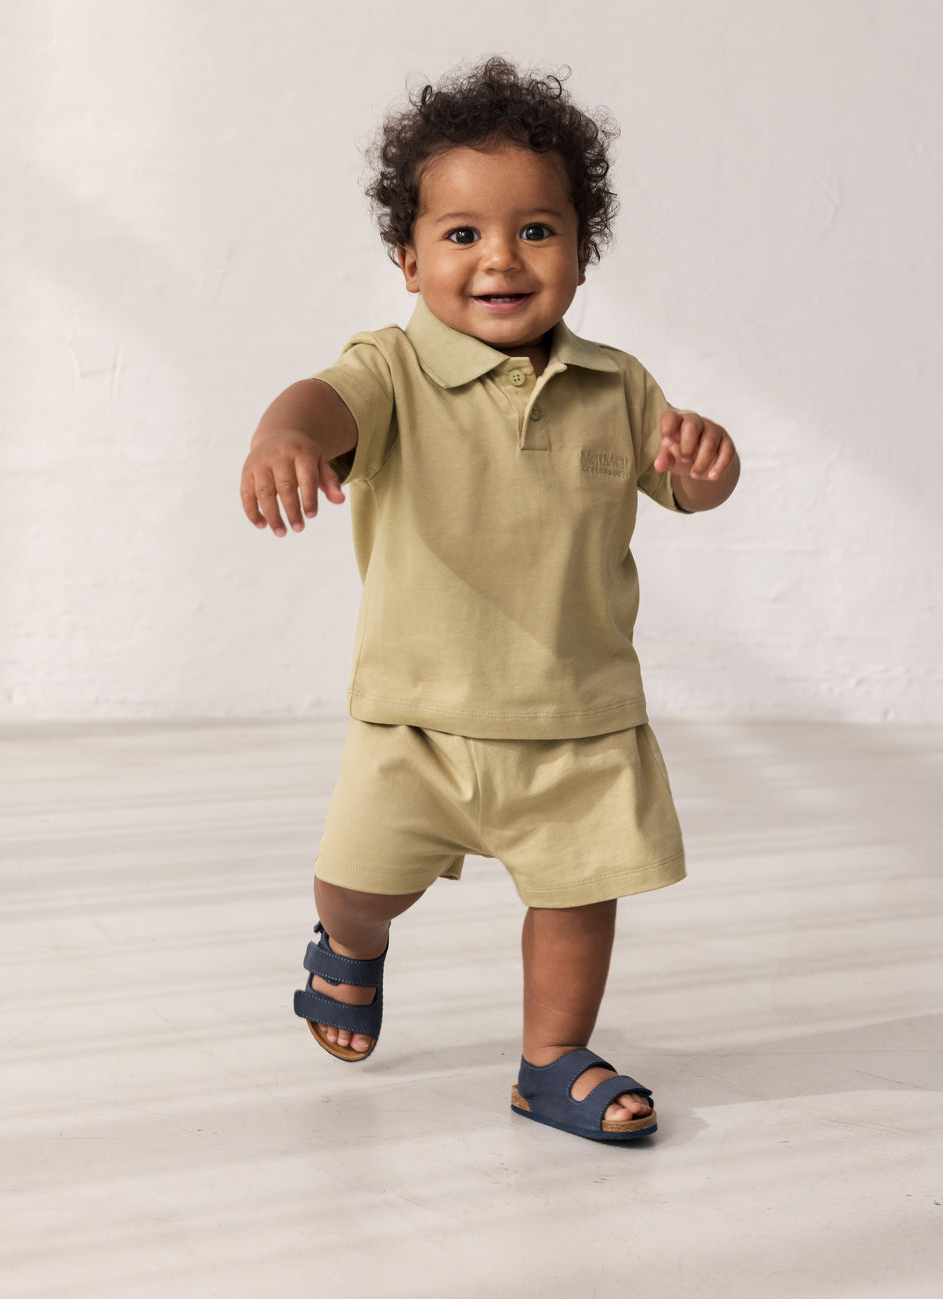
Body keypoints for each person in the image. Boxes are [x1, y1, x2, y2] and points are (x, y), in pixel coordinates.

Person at [239, 57, 739, 1142]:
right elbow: (322, 402)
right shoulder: (390, 371)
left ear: (582, 250)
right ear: (409, 258)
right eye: (462, 233)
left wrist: (709, 460)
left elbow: (688, 487)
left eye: (537, 230)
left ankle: (551, 1060)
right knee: (361, 884)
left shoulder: (617, 384)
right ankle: (350, 945)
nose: (501, 257)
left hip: (577, 717)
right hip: (416, 717)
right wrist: (286, 436)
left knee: (577, 896)